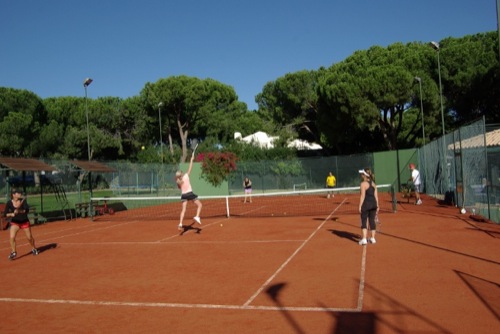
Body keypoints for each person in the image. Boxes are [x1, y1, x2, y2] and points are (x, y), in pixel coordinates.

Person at [4, 189, 39, 260]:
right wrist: (12, 214)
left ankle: (33, 248)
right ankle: (13, 252)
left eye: (20, 193)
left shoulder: (23, 201)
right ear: (13, 195)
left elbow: (26, 210)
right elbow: (5, 214)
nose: (20, 194)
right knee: (12, 237)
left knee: (29, 237)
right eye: (18, 193)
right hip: (15, 222)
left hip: (24, 221)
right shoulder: (9, 203)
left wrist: (19, 211)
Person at [175, 154, 202, 230]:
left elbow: (180, 187)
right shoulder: (186, 176)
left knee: (183, 210)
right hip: (190, 194)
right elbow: (190, 167)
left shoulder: (178, 181)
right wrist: (191, 159)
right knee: (200, 205)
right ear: (182, 174)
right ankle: (197, 216)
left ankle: (180, 224)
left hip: (183, 195)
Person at [358, 168, 379, 245]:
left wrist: (360, 206)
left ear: (364, 175)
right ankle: (373, 238)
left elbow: (362, 196)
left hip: (366, 205)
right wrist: (377, 205)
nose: (361, 175)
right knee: (372, 221)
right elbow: (376, 196)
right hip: (373, 205)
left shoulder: (363, 184)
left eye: (362, 174)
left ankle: (364, 239)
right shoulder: (373, 184)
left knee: (364, 221)